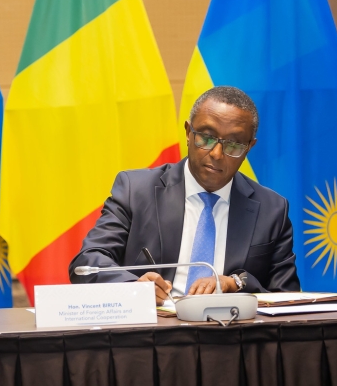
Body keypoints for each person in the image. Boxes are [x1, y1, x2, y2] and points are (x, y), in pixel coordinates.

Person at [69, 86, 299, 303]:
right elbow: (87, 263)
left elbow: (287, 296)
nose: (217, 154)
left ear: (249, 147)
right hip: (151, 335)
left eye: (233, 144)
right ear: (189, 133)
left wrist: (236, 284)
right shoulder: (136, 190)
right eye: (206, 138)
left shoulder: (272, 209)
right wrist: (134, 287)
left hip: (230, 337)